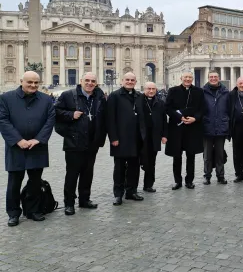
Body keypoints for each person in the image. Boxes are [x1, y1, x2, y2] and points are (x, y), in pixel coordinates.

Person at [0, 71, 55, 227]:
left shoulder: (46, 99)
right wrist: (18, 140)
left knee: (35, 182)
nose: (33, 85)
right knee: (14, 182)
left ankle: (33, 210)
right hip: (16, 147)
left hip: (38, 146)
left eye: (36, 83)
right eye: (29, 82)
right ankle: (13, 213)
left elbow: (50, 121)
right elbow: (3, 121)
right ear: (21, 81)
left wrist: (38, 139)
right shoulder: (6, 98)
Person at [54, 72, 107, 215]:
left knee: (87, 173)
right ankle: (69, 203)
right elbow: (56, 112)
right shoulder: (68, 95)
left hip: (92, 142)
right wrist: (71, 115)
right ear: (81, 81)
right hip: (74, 142)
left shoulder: (99, 96)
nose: (90, 83)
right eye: (87, 80)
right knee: (72, 174)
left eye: (93, 81)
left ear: (96, 83)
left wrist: (100, 137)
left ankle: (84, 200)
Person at [106, 72, 144, 205]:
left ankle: (131, 191)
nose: (129, 82)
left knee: (134, 167)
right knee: (119, 168)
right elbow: (110, 119)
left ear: (135, 81)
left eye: (132, 80)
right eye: (127, 79)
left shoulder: (139, 96)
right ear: (122, 81)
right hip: (120, 139)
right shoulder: (114, 96)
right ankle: (118, 194)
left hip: (136, 138)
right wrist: (113, 137)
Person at [165, 72, 205, 190]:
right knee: (177, 156)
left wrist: (195, 118)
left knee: (190, 155)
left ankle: (189, 181)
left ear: (192, 79)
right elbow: (168, 108)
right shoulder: (173, 91)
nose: (188, 79)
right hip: (177, 127)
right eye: (185, 77)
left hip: (192, 128)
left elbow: (202, 109)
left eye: (190, 77)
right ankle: (178, 181)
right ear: (181, 78)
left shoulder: (199, 91)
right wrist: (179, 117)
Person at [137, 82, 168, 193]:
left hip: (154, 136)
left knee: (151, 162)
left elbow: (164, 120)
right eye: (149, 89)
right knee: (136, 161)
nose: (151, 91)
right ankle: (130, 186)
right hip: (140, 136)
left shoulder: (160, 103)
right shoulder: (138, 101)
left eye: (153, 89)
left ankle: (148, 185)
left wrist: (164, 135)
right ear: (144, 89)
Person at [202, 70, 230, 185]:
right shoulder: (202, 92)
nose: (213, 78)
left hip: (221, 127)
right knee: (207, 155)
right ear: (208, 78)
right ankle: (207, 176)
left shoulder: (225, 92)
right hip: (207, 127)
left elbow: (229, 109)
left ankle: (220, 176)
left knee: (220, 154)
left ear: (219, 78)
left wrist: (226, 121)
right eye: (211, 77)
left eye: (215, 77)